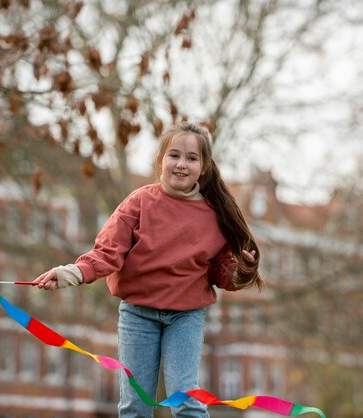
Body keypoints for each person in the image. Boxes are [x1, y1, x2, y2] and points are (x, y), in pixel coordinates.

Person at [33, 122, 263, 418]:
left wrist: (241, 272)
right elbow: (107, 252)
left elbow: (219, 272)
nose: (181, 164)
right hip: (138, 315)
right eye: (174, 156)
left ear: (204, 167)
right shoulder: (140, 202)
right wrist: (70, 273)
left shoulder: (214, 216)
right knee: (135, 405)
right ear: (160, 162)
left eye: (192, 158)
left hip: (186, 317)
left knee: (185, 401)